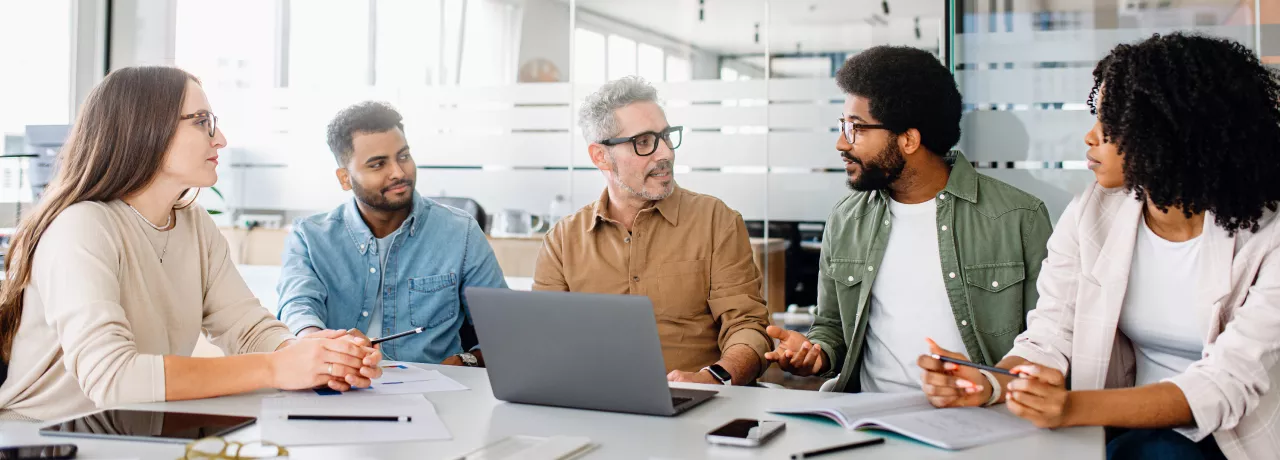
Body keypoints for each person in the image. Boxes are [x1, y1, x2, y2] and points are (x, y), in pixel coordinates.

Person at [919, 33, 1280, 460]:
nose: (1091, 136)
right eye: (1097, 117)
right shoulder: (1092, 211)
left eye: (1113, 123)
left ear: (1174, 132)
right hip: (1119, 432)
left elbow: (1225, 384)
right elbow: (1051, 336)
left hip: (1235, 440)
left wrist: (1070, 407)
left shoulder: (1269, 235)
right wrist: (990, 383)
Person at [0, 67, 382, 421]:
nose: (221, 139)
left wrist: (315, 357)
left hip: (131, 432)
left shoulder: (193, 223)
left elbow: (246, 329)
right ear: (144, 129)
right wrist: (276, 367)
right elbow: (112, 378)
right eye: (202, 122)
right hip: (44, 437)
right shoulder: (81, 226)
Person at [765, 46, 1053, 394]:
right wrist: (817, 353)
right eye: (843, 125)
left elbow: (1046, 341)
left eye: (856, 128)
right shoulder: (846, 218)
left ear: (908, 139)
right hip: (871, 417)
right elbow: (832, 326)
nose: (842, 143)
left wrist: (991, 389)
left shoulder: (1019, 217)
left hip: (982, 415)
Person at [532, 76, 772, 386]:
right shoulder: (563, 240)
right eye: (644, 142)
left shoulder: (717, 221)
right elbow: (543, 339)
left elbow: (748, 325)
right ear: (600, 156)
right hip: (595, 405)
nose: (666, 153)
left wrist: (716, 377)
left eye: (667, 136)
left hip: (698, 409)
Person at [277, 101, 505, 366]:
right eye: (377, 165)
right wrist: (319, 344)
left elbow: (503, 330)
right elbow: (298, 309)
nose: (398, 172)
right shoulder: (309, 237)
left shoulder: (460, 231)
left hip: (436, 390)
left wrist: (466, 361)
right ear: (344, 178)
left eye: (404, 156)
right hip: (338, 386)